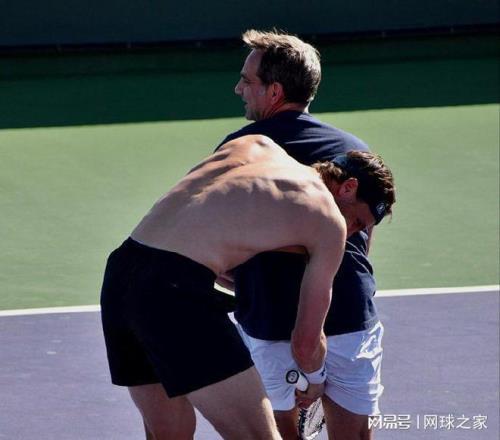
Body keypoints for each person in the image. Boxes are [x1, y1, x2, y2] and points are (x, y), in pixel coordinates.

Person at [100, 134, 395, 440]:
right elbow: (305, 343)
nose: (352, 234)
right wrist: (316, 380)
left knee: (169, 432)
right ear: (347, 188)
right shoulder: (329, 222)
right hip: (173, 292)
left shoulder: (255, 145)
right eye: (358, 222)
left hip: (122, 274)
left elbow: (198, 227)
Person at [215, 30, 390, 439]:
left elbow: (213, 247)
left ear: (274, 91)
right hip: (348, 317)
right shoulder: (354, 148)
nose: (239, 88)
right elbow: (363, 236)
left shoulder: (237, 151)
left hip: (270, 321)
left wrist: (247, 282)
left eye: (247, 80)